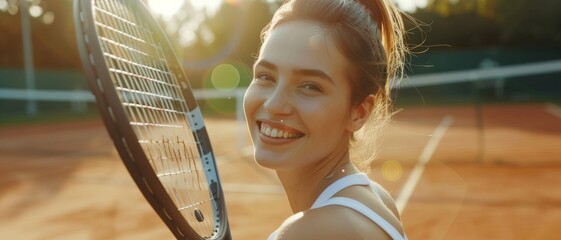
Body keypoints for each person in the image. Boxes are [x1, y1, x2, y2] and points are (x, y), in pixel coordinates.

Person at [243, 0, 409, 239]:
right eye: (265, 76)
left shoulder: (306, 233)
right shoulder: (377, 199)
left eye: (310, 86)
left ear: (359, 112)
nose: (274, 104)